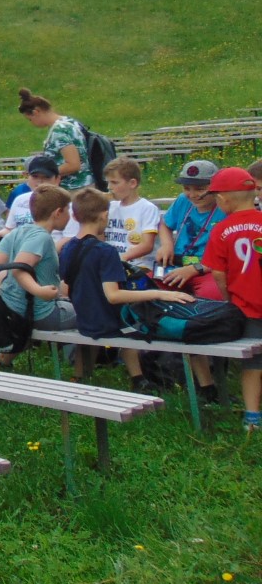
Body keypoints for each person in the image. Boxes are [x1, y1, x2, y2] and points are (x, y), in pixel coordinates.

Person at [59, 188, 195, 394]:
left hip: (84, 318)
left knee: (110, 324)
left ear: (75, 216)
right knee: (131, 323)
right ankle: (139, 379)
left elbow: (66, 286)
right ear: (104, 215)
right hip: (107, 321)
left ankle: (79, 376)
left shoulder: (68, 248)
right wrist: (160, 293)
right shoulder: (106, 251)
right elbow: (114, 296)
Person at [0, 186, 77, 368]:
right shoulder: (41, 237)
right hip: (42, 312)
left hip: (12, 308)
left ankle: (0, 363)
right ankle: (78, 370)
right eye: (68, 211)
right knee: (90, 314)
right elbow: (20, 268)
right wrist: (39, 291)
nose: (70, 216)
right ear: (58, 212)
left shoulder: (18, 232)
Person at [199, 167, 262, 432]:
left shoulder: (221, 229)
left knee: (253, 363)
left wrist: (229, 299)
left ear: (223, 199)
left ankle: (252, 417)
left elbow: (218, 273)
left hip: (246, 307)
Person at [157, 160, 224, 299]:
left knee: (211, 295)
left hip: (207, 268)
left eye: (200, 189)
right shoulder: (183, 200)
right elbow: (165, 224)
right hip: (177, 264)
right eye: (187, 188)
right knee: (145, 285)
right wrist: (167, 245)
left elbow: (227, 256)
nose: (192, 195)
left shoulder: (225, 207)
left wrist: (195, 269)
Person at [17, 88, 93, 192]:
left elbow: (73, 164)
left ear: (36, 112)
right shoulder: (69, 121)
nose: (31, 123)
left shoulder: (59, 131)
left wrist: (45, 173)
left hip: (73, 188)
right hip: (84, 185)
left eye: (30, 119)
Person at [101, 157, 162, 269]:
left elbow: (147, 245)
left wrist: (120, 259)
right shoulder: (110, 207)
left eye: (114, 182)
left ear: (132, 183)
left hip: (138, 266)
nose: (109, 187)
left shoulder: (147, 208)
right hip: (111, 264)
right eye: (108, 182)